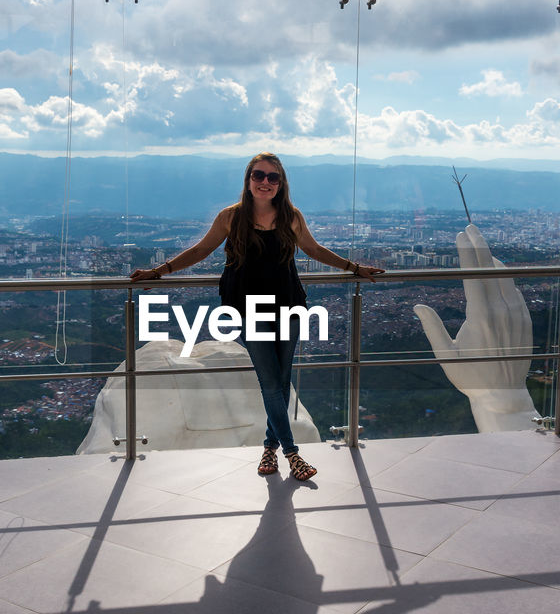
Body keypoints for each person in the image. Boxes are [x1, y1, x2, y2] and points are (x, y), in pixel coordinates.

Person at [131, 152, 384, 480]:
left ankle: (269, 448)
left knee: (279, 381)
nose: (265, 182)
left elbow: (315, 250)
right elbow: (201, 250)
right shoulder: (230, 217)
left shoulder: (291, 216)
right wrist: (159, 271)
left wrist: (354, 268)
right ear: (248, 180)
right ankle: (292, 453)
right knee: (269, 381)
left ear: (281, 184)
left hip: (288, 305)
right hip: (249, 309)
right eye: (258, 175)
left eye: (272, 177)